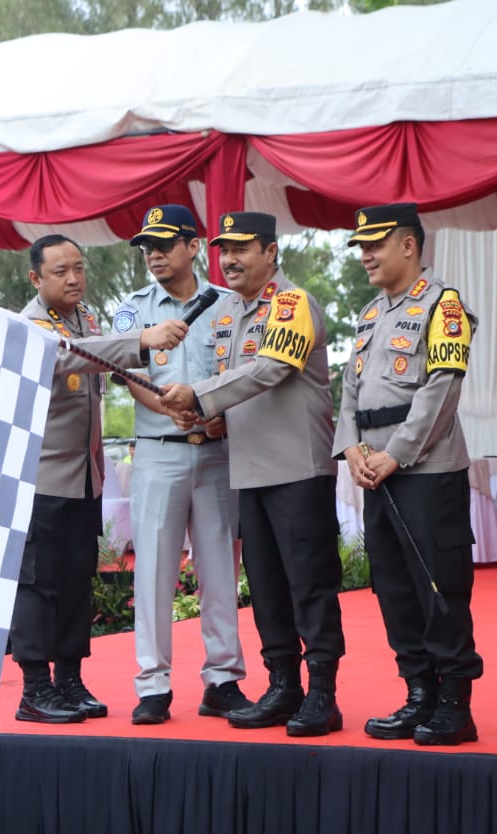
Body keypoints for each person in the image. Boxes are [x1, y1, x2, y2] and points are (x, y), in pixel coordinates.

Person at [161, 211, 345, 738]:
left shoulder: (293, 303)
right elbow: (228, 385)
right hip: (247, 470)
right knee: (265, 587)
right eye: (224, 250)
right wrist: (208, 416)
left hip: (297, 468)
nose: (231, 259)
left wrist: (201, 394)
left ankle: (323, 695)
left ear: (271, 253)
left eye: (243, 249)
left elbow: (271, 369)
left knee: (310, 586)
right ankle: (283, 686)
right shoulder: (224, 313)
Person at [11, 234, 186, 725]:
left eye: (79, 268)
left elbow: (116, 369)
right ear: (36, 278)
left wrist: (175, 401)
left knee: (75, 583)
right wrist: (140, 340)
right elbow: (71, 355)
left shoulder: (86, 318)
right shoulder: (30, 326)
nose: (73, 278)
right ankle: (34, 688)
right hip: (42, 481)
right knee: (38, 586)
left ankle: (68, 679)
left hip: (85, 479)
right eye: (60, 271)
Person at [334, 202, 483, 747]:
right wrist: (350, 447)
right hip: (375, 469)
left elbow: (442, 389)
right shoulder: (371, 314)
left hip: (426, 469)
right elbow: (349, 389)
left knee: (438, 586)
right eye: (361, 246)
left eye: (376, 243)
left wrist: (395, 453)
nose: (366, 255)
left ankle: (453, 703)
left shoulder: (443, 305)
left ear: (409, 245)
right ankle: (418, 692)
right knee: (393, 586)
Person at [115, 205, 247, 725]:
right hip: (159, 452)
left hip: (216, 452)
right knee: (152, 572)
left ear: (195, 246)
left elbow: (246, 372)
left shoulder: (230, 305)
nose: (153, 254)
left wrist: (220, 416)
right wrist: (174, 408)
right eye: (147, 246)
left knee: (219, 571)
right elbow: (127, 372)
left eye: (164, 244)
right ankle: (152, 685)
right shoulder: (134, 308)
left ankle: (223, 680)